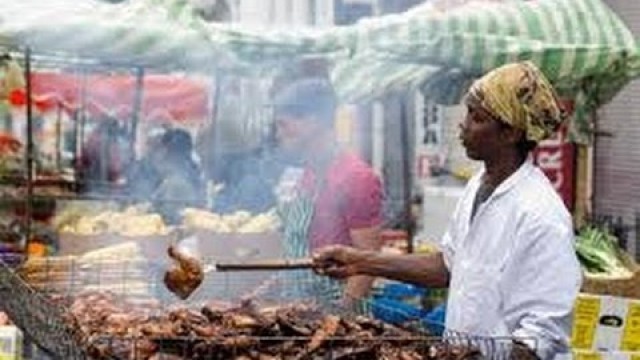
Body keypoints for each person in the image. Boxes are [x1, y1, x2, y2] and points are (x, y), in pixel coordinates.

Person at [313, 62, 582, 359]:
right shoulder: (479, 184)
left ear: (510, 134)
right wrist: (359, 262)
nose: (463, 124)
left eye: (477, 118)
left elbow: (540, 342)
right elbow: (447, 266)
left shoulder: (541, 215)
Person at [271, 78, 384, 303]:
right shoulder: (307, 174)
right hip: (300, 308)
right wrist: (264, 290)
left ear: (313, 122)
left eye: (284, 125)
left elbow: (368, 264)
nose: (278, 134)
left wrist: (340, 316)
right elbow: (299, 253)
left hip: (338, 313)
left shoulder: (356, 178)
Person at [151, 128, 206, 224]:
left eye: (157, 149)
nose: (154, 154)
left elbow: (170, 216)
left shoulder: (175, 184)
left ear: (166, 152)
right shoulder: (179, 177)